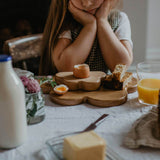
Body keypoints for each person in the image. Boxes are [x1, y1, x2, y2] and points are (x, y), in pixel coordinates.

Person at [39, 0, 133, 75]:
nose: (87, 3)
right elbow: (66, 68)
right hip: (72, 93)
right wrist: (90, 25)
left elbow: (121, 66)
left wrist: (102, 21)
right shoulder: (66, 20)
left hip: (105, 93)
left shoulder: (119, 19)